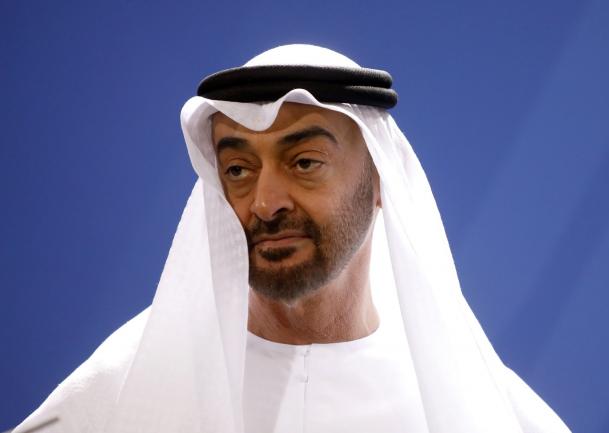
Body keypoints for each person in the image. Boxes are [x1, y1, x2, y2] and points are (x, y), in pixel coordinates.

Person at [14, 44, 571, 433]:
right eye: (238, 170)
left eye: (304, 162)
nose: (265, 201)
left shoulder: (478, 406)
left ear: (379, 181)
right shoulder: (121, 391)